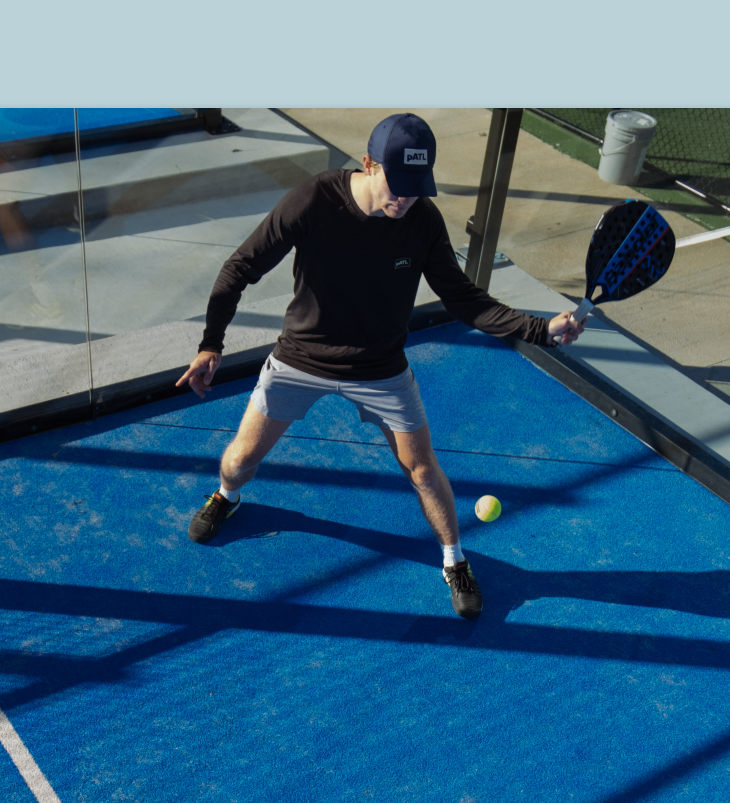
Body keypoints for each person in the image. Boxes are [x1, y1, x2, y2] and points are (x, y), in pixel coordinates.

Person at [176, 113, 586, 620]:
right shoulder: (313, 201)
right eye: (399, 184)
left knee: (422, 468)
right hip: (301, 357)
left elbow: (462, 298)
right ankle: (228, 496)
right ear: (369, 164)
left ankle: (455, 560)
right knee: (238, 460)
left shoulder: (423, 222)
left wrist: (539, 328)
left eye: (419, 186)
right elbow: (241, 266)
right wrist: (211, 343)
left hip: (381, 369)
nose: (408, 197)